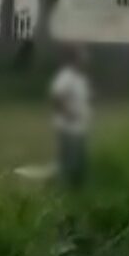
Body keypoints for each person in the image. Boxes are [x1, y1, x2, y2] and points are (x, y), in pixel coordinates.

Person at [49, 45, 93, 187]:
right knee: (69, 162)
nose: (85, 60)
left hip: (80, 127)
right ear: (75, 59)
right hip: (68, 128)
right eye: (82, 57)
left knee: (79, 162)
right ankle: (62, 188)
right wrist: (70, 114)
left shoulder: (80, 78)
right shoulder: (66, 77)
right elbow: (57, 98)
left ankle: (76, 189)